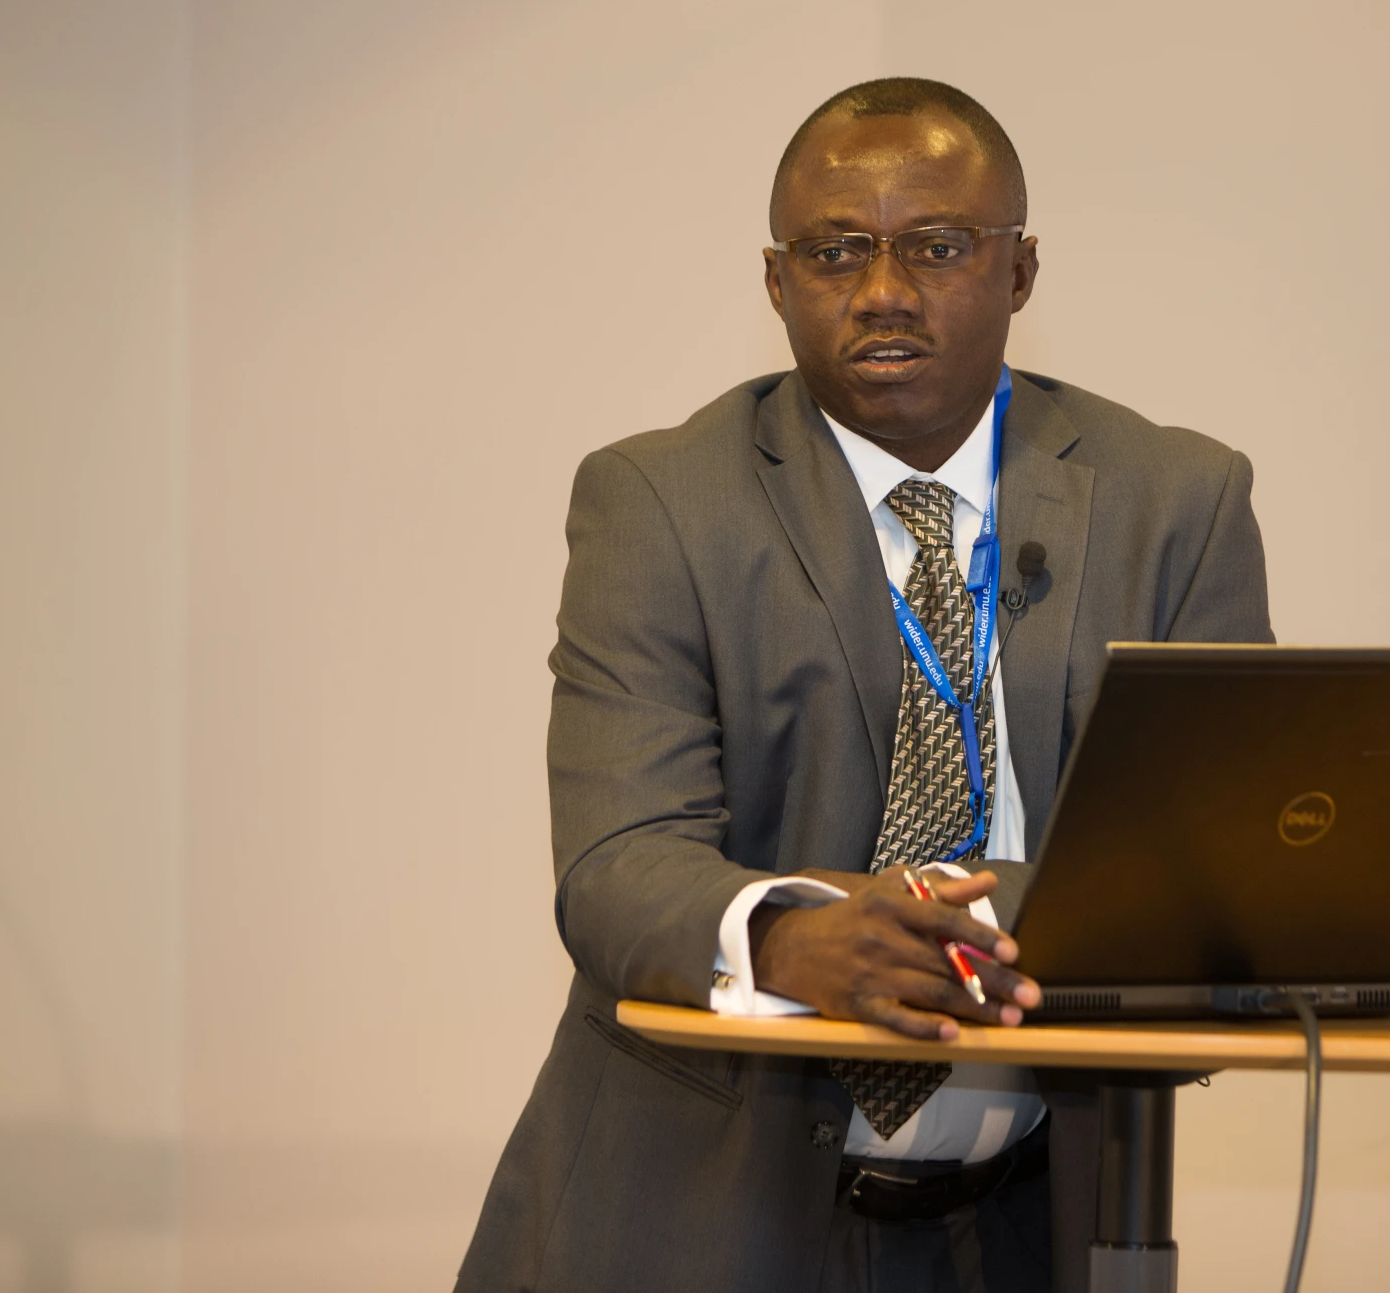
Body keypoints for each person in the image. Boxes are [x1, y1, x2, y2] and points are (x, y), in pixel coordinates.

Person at [456, 77, 1273, 1292]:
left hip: (1029, 1225)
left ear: (1020, 271)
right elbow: (616, 867)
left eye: (936, 247)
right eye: (836, 252)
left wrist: (974, 924)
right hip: (695, 1216)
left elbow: (1226, 857)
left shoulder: (1174, 501)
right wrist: (790, 938)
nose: (883, 291)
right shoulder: (660, 502)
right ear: (778, 282)